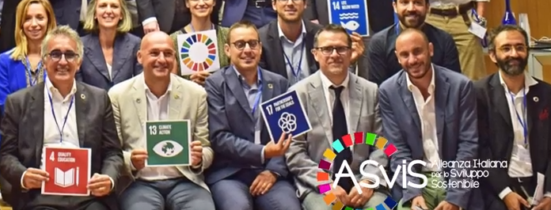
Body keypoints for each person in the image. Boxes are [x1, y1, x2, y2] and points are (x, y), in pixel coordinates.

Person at [0, 26, 127, 210]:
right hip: (40, 195)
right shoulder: (18, 102)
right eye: (55, 54)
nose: (63, 61)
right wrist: (24, 176)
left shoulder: (99, 99)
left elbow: (113, 153)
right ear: (44, 60)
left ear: (79, 62)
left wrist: (107, 178)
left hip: (88, 194)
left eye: (70, 55)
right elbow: (6, 155)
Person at [285, 25, 391, 210]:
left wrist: (368, 180)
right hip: (319, 185)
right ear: (315, 54)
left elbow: (382, 144)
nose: (335, 55)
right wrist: (326, 184)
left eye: (341, 48)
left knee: (383, 208)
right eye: (327, 49)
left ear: (351, 52)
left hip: (363, 180)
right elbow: (295, 152)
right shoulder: (297, 94)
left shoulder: (371, 90)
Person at [109, 31, 214, 210]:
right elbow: (113, 153)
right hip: (138, 182)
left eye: (168, 53)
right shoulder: (118, 95)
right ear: (140, 57)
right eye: (154, 53)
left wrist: (199, 158)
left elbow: (207, 149)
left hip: (185, 180)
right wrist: (131, 161)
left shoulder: (196, 94)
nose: (162, 59)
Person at [378, 28, 481, 210]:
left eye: (417, 51)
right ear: (397, 58)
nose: (412, 60)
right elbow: (397, 150)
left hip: (454, 178)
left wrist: (455, 198)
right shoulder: (388, 91)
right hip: (416, 179)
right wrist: (413, 192)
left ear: (430, 50)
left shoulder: (460, 86)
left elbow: (468, 145)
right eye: (405, 54)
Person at [204, 22, 297, 210]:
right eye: (240, 44)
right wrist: (263, 152)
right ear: (228, 50)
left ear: (260, 48)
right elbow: (219, 137)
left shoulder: (279, 83)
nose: (247, 50)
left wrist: (273, 170)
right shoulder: (215, 84)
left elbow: (290, 135)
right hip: (230, 173)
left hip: (270, 170)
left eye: (252, 44)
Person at [475, 25, 551, 210]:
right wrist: (505, 192)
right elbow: (479, 149)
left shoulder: (547, 93)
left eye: (519, 47)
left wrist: (550, 193)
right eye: (506, 48)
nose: (514, 54)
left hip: (541, 187)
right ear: (493, 55)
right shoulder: (478, 93)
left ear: (527, 51)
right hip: (497, 189)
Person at [367, 0, 462, 85]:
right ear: (395, 7)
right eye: (404, 2)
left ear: (427, 7)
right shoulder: (379, 43)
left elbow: (453, 86)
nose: (411, 8)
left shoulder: (444, 40)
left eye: (417, 2)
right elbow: (379, 90)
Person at [257, 0, 322, 87]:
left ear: (305, 3)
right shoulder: (261, 39)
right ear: (274, 4)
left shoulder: (321, 35)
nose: (290, 3)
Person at [0, 0, 56, 109]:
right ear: (21, 23)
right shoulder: (5, 60)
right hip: (16, 120)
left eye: (40, 18)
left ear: (49, 20)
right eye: (27, 18)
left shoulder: (60, 59)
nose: (34, 24)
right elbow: (4, 104)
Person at [76, 0, 141, 90]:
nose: (109, 11)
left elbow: (140, 84)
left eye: (114, 6)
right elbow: (79, 88)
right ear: (95, 13)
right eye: (103, 6)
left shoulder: (135, 44)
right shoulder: (80, 45)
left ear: (121, 14)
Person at [169, 0, 229, 85]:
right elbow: (170, 83)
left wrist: (214, 81)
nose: (201, 3)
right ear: (187, 3)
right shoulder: (172, 40)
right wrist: (190, 84)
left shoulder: (228, 36)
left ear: (214, 1)